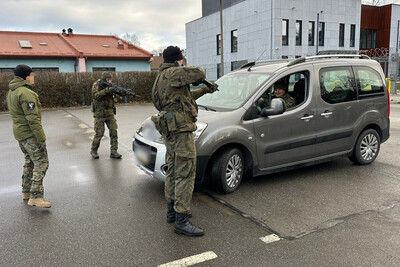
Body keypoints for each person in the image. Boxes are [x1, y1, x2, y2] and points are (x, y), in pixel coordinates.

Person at [151, 46, 218, 237]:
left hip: (171, 130)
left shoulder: (162, 77)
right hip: (181, 131)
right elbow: (199, 73)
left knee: (173, 170)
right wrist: (185, 67)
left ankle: (172, 211)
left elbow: (184, 99)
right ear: (178, 60)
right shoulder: (174, 73)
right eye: (182, 60)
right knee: (186, 173)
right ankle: (182, 220)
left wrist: (205, 89)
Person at [6, 64, 51, 208]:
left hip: (20, 133)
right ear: (26, 76)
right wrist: (41, 137)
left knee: (29, 161)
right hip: (29, 134)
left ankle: (26, 191)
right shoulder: (25, 93)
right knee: (41, 162)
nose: (33, 78)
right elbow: (32, 119)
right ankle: (36, 196)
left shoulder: (12, 91)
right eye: (32, 75)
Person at [90, 71, 125, 159]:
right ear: (105, 79)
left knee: (114, 132)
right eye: (109, 79)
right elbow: (95, 96)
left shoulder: (111, 85)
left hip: (109, 113)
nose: (110, 81)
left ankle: (114, 151)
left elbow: (120, 94)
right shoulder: (97, 85)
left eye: (111, 79)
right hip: (99, 114)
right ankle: (93, 150)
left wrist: (122, 92)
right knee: (99, 133)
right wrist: (107, 90)